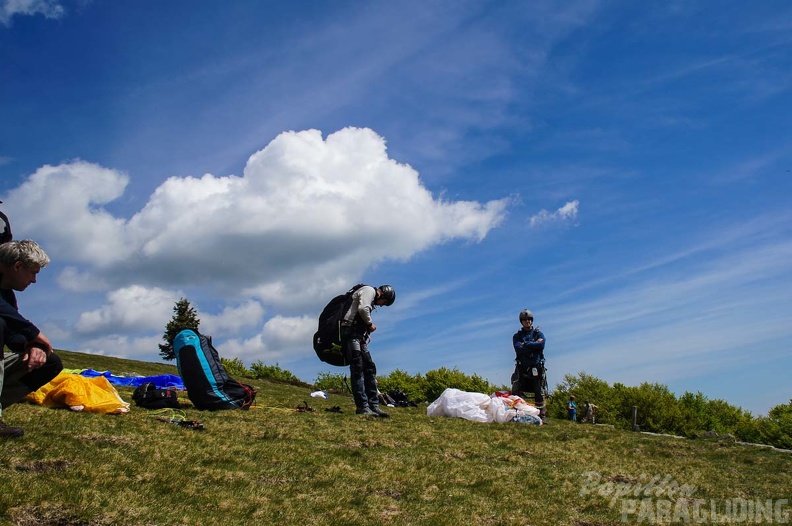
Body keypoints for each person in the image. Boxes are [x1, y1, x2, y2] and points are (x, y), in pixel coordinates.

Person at [0, 240, 63, 438]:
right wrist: (33, 333)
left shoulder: (7, 296)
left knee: (49, 362)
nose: (34, 280)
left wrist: (32, 345)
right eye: (33, 272)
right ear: (17, 266)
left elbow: (12, 334)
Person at [340, 284, 395, 417]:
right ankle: (362, 407)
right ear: (383, 295)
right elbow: (363, 309)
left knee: (369, 367)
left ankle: (374, 406)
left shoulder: (368, 294)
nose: (381, 305)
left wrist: (365, 329)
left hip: (358, 334)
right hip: (350, 332)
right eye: (384, 303)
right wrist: (370, 324)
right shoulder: (369, 290)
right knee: (357, 367)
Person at [510, 309, 547, 420]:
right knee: (516, 389)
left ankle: (542, 415)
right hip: (522, 368)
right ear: (521, 322)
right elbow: (518, 349)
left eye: (529, 319)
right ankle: (517, 413)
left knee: (538, 390)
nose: (527, 322)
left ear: (532, 321)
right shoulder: (517, 336)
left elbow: (541, 345)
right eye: (524, 320)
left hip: (536, 367)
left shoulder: (538, 333)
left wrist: (525, 344)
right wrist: (533, 345)